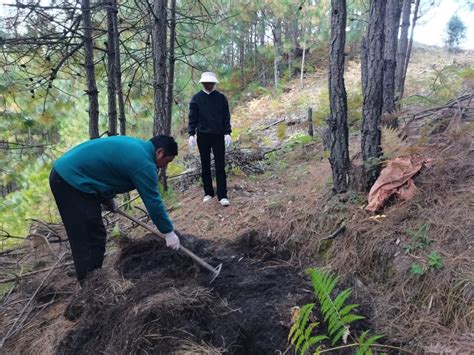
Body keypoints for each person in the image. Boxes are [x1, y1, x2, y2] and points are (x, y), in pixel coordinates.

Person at [49, 135, 180, 284]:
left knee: (95, 234)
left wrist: (107, 198)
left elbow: (106, 170)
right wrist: (168, 232)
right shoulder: (144, 163)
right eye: (166, 162)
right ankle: (89, 287)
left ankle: (93, 280)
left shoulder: (138, 148)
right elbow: (153, 202)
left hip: (71, 177)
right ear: (160, 152)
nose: (164, 167)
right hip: (70, 181)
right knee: (87, 237)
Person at [188, 71, 232, 206]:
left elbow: (226, 117)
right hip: (203, 135)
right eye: (206, 83)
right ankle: (208, 192)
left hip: (218, 135)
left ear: (214, 83)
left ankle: (222, 195)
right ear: (203, 83)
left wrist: (227, 132)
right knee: (205, 164)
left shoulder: (221, 98)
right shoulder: (196, 99)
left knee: (220, 165)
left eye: (211, 83)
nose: (209, 85)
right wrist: (191, 134)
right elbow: (192, 118)